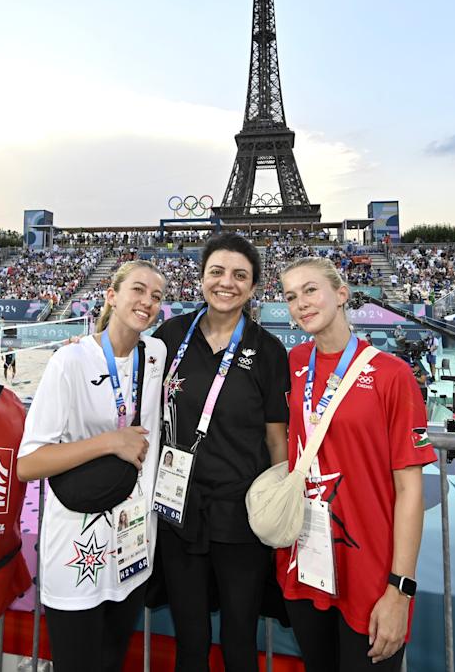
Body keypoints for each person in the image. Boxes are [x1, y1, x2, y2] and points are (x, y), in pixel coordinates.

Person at [277, 257, 435, 670]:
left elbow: (410, 489)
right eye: (291, 296)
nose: (301, 304)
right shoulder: (294, 363)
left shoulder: (392, 374)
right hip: (306, 561)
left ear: (341, 294)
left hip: (369, 572)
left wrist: (400, 589)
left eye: (311, 290)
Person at [17, 261, 167, 672]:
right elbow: (28, 464)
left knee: (111, 660)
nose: (147, 302)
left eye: (156, 296)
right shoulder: (70, 362)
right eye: (138, 290)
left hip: (134, 545)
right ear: (111, 296)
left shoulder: (156, 353)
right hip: (77, 552)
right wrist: (110, 442)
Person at [152, 232, 289, 672]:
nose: (226, 282)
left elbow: (275, 438)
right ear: (201, 277)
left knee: (238, 640)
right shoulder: (171, 335)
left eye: (239, 275)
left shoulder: (268, 350)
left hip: (241, 516)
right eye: (217, 272)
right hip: (178, 511)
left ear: (253, 287)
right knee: (190, 641)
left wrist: (283, 499)